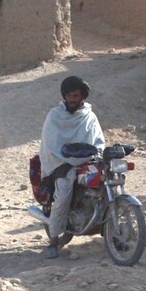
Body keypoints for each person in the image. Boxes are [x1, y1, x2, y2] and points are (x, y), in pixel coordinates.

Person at [38, 75, 105, 258]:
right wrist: (70, 157)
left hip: (86, 160)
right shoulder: (55, 116)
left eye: (76, 96)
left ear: (82, 96)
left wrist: (97, 154)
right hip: (62, 162)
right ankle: (53, 240)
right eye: (70, 96)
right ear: (64, 97)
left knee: (105, 181)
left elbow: (98, 139)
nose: (73, 100)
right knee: (64, 191)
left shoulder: (89, 116)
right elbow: (51, 145)